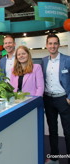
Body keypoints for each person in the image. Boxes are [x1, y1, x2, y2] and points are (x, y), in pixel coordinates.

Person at [41, 34, 70, 164]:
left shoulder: (67, 60)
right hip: (49, 99)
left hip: (64, 99)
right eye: (50, 43)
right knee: (52, 130)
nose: (52, 46)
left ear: (58, 45)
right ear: (46, 45)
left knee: (68, 131)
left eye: (55, 43)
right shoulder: (44, 61)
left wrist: (69, 97)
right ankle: (54, 157)